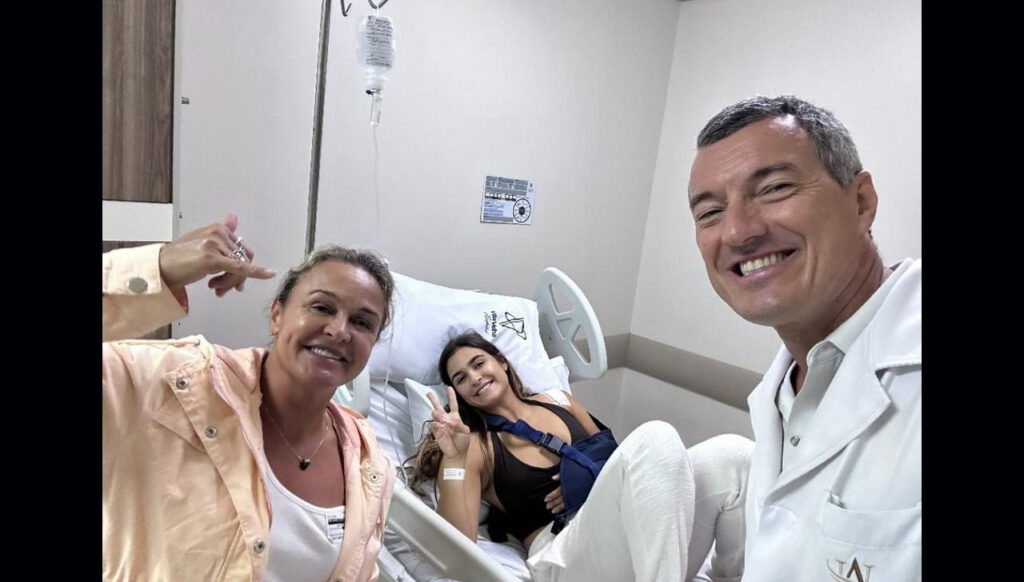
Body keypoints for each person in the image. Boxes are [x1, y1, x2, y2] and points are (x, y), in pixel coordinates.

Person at [686, 95, 921, 581]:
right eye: (710, 212)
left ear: (861, 202)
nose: (738, 232)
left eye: (775, 188)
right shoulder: (783, 391)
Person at [102, 214, 397, 581]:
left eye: (362, 323)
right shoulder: (166, 387)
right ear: (277, 315)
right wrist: (159, 267)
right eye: (321, 307)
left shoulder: (371, 465)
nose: (339, 331)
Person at [406, 331, 754, 582]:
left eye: (479, 363)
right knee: (656, 436)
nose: (475, 378)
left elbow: (619, 461)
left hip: (628, 532)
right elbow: (457, 545)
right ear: (458, 394)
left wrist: (586, 482)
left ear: (501, 361)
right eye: (461, 378)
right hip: (563, 554)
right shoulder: (475, 446)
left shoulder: (559, 400)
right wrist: (454, 459)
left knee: (733, 455)